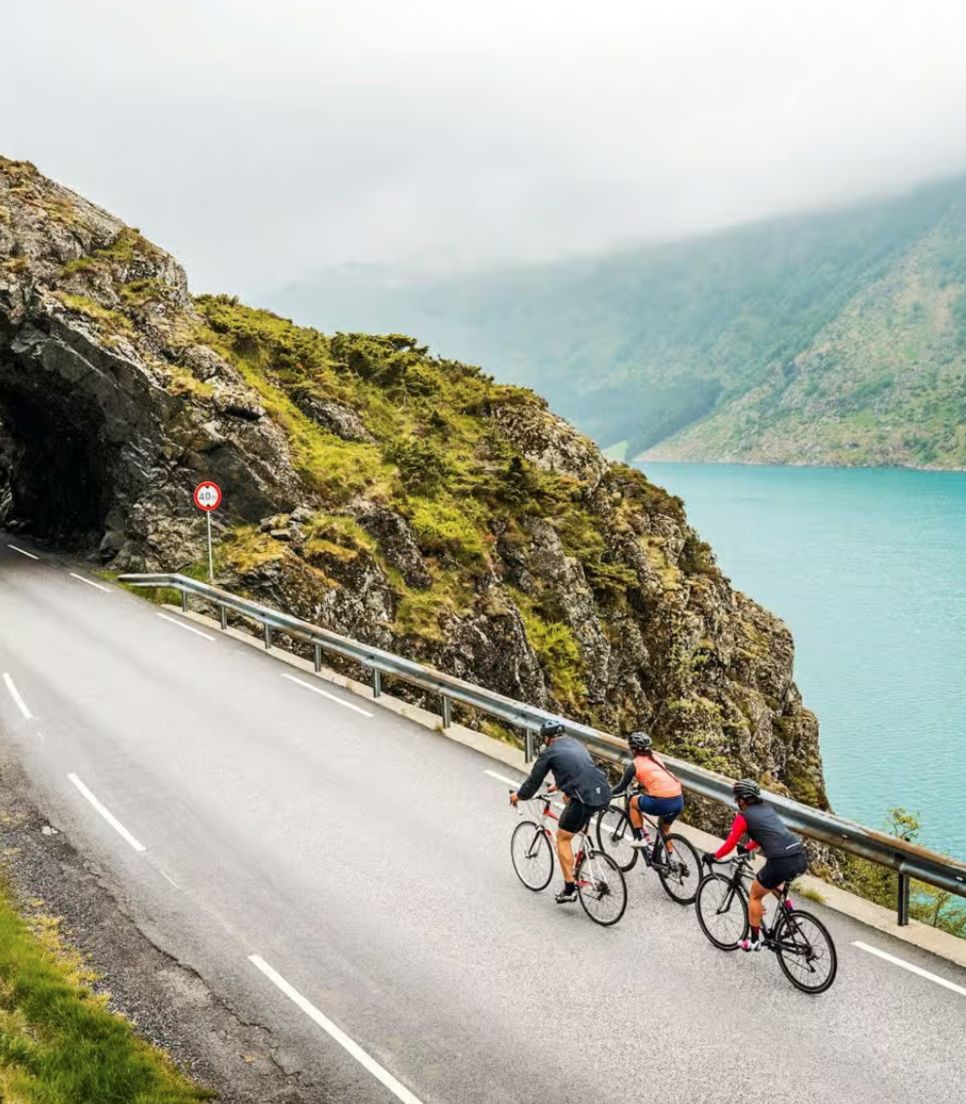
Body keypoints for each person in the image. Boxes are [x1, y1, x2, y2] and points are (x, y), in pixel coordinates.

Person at [510, 719, 612, 903]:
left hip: (584, 799)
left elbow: (533, 782)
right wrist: (558, 785)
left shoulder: (549, 753)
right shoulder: (576, 744)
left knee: (562, 839)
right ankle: (580, 837)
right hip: (603, 792)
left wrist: (518, 796)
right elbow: (579, 769)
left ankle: (569, 888)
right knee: (568, 800)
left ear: (547, 738)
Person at [702, 779, 808, 951]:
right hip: (799, 856)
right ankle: (793, 918)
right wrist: (747, 848)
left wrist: (714, 856)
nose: (736, 801)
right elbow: (764, 834)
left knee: (755, 895)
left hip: (780, 860)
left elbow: (729, 845)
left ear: (742, 799)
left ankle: (754, 941)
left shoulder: (743, 818)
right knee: (773, 883)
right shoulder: (767, 808)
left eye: (737, 798)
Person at [612, 731, 684, 856]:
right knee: (664, 830)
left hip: (662, 802)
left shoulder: (634, 765)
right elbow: (657, 778)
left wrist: (607, 794)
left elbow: (620, 788)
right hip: (678, 800)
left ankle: (640, 839)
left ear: (633, 749)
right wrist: (640, 785)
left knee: (633, 802)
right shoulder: (656, 758)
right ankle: (670, 860)